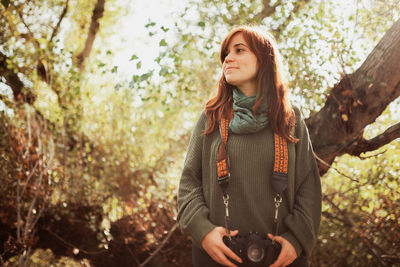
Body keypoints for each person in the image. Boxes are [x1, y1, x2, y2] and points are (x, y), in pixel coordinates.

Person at [177, 25, 321, 267]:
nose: (228, 59)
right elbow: (189, 183)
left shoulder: (290, 117)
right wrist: (203, 232)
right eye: (225, 54)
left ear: (264, 59)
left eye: (239, 50)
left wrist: (296, 240)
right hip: (216, 258)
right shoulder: (211, 117)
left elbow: (309, 187)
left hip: (280, 259)